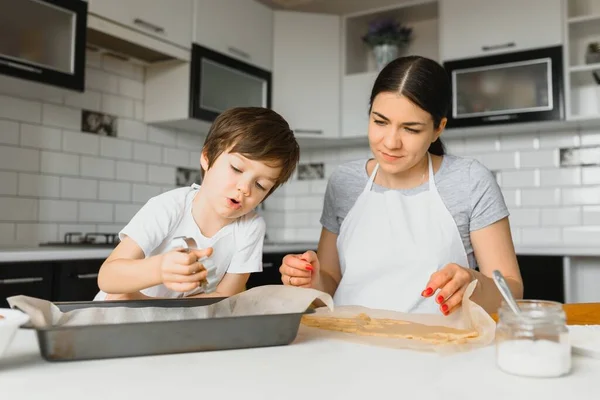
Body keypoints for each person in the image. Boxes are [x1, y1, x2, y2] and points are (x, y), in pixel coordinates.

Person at [279, 56, 523, 316]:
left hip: (438, 349)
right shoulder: (344, 181)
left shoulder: (470, 180)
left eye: (411, 129)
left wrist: (472, 283)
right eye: (380, 122)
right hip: (346, 343)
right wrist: (310, 279)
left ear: (438, 128)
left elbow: (512, 290)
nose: (391, 142)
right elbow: (330, 280)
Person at [95, 107, 300, 301]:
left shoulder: (251, 227)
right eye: (237, 169)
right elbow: (107, 277)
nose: (245, 189)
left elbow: (224, 299)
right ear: (206, 157)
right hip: (108, 321)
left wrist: (145, 301)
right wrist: (160, 269)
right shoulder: (168, 207)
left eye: (260, 185)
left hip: (168, 325)